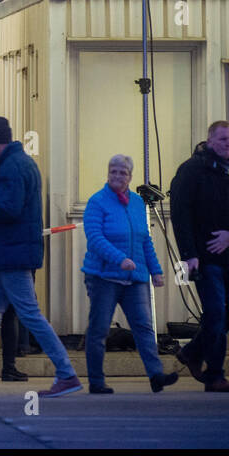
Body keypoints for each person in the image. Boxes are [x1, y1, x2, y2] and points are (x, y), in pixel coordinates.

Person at [0, 117, 82, 398]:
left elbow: (8, 208)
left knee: (28, 314)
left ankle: (67, 374)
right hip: (6, 253)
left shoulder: (12, 168)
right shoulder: (14, 164)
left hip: (10, 253)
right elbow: (8, 203)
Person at [80, 154, 178, 394]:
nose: (117, 176)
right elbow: (95, 239)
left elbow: (145, 241)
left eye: (122, 172)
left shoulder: (136, 203)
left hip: (135, 279)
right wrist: (119, 258)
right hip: (103, 277)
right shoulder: (97, 202)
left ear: (130, 177)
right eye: (113, 171)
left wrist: (156, 271)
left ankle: (156, 375)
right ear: (107, 173)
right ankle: (96, 380)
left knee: (144, 326)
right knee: (99, 329)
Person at [170, 120, 229, 392]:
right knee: (216, 311)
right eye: (223, 139)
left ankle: (193, 352)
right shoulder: (192, 170)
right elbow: (180, 214)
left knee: (222, 315)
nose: (228, 144)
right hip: (203, 259)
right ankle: (215, 374)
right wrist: (188, 256)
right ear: (209, 141)